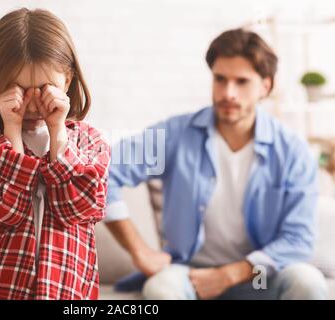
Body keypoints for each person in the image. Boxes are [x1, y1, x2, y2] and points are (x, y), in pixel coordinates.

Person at [105, 28, 328, 300]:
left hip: (258, 276)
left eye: (241, 82)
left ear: (265, 87)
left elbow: (298, 239)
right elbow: (103, 172)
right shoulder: (176, 134)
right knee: (162, 288)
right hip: (192, 274)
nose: (228, 93)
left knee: (307, 282)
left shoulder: (293, 151)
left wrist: (229, 275)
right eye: (220, 79)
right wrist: (139, 250)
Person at [0, 8, 110, 300]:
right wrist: (11, 130)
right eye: (17, 88)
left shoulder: (91, 143)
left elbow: (78, 208)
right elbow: (4, 211)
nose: (31, 101)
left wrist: (58, 132)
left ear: (67, 80)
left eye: (44, 87)